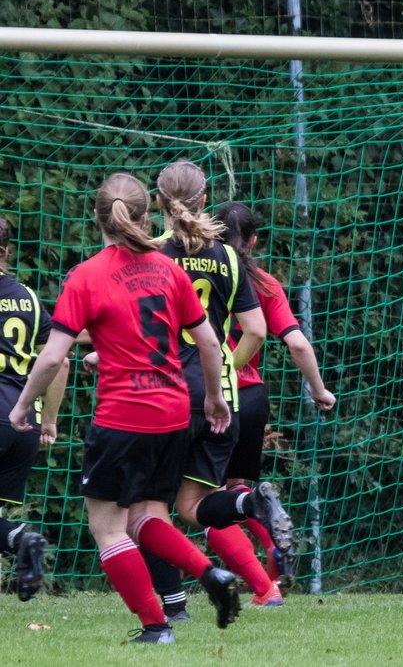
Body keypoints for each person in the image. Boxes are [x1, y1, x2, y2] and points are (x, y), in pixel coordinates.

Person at [8, 173, 240, 643]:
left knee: (108, 528)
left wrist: (23, 406)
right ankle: (210, 574)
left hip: (123, 414)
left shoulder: (87, 275)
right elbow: (211, 342)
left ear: (97, 218)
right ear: (144, 214)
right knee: (144, 517)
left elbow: (53, 355)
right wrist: (215, 397)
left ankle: (156, 627)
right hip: (174, 411)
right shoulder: (168, 268)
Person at [142, 160, 291, 615]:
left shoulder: (151, 254)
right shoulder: (228, 256)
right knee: (195, 504)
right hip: (219, 397)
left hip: (163, 392)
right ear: (206, 200)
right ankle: (250, 504)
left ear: (159, 200)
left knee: (150, 508)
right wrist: (226, 366)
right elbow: (257, 330)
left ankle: (174, 607)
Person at [217, 201, 335, 589]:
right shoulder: (266, 284)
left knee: (203, 502)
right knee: (236, 491)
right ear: (253, 241)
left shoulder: (195, 278)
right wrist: (318, 390)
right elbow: (298, 345)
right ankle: (272, 546)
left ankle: (263, 587)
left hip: (209, 395)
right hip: (252, 399)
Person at [0, 216, 68, 601]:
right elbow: (60, 361)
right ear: (6, 252)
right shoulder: (28, 297)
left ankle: (21, 540)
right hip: (22, 423)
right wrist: (50, 421)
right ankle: (20, 540)